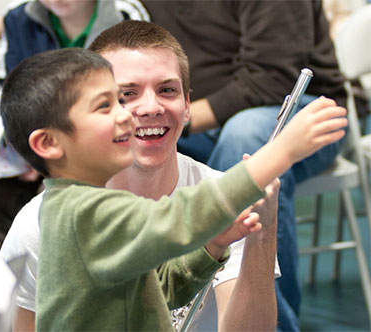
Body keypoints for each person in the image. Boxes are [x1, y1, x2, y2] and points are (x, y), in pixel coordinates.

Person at [0, 42, 347, 331]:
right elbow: (180, 216)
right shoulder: (82, 213)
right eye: (107, 105)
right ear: (49, 144)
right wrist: (281, 152)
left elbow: (156, 292)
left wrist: (211, 245)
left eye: (166, 90)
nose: (127, 114)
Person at [136, 1, 349, 330]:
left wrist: (174, 118)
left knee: (245, 141)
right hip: (192, 112)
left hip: (291, 109)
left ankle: (269, 321)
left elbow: (272, 79)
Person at [0, 0, 123, 250]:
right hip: (32, 148)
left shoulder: (124, 15)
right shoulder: (19, 19)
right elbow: (9, 92)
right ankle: (12, 279)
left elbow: (125, 99)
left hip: (92, 149)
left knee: (60, 196)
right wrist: (24, 151)